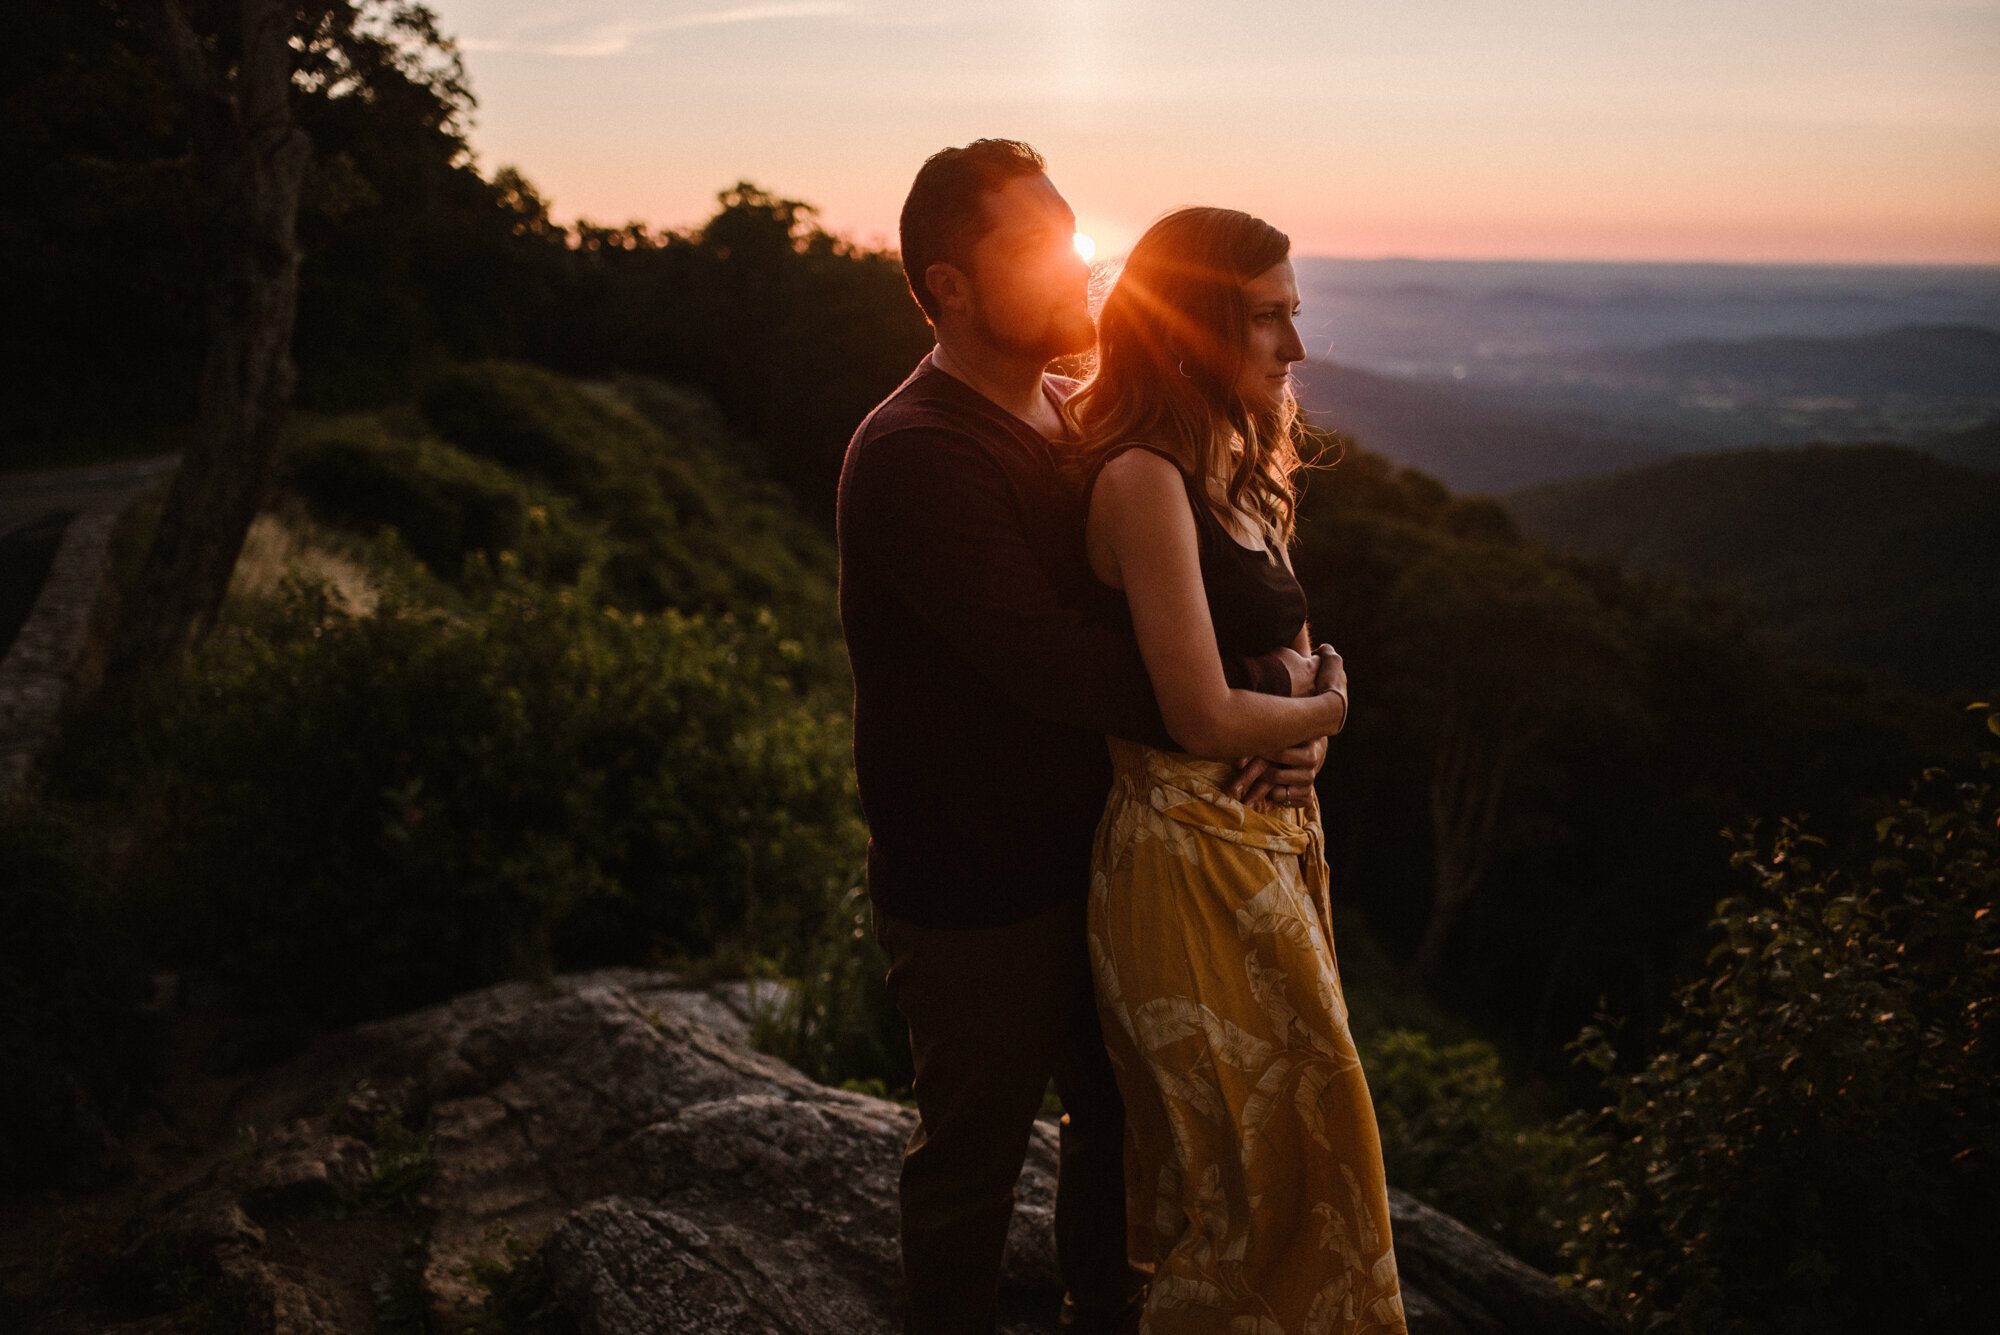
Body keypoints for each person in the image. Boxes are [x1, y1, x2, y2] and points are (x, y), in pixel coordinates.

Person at [836, 141, 1345, 1335]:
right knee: (972, 1158)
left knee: (1122, 1131)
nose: (1081, 267)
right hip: (979, 886)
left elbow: (1192, 598)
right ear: (950, 284)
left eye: (1075, 235)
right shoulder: (918, 451)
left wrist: (1285, 707)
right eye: (1039, 246)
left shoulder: (1072, 411)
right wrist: (1273, 693)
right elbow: (1058, 664)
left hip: (1116, 856)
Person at [1069, 207, 1408, 1332]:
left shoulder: (1238, 462)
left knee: (1316, 1166)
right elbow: (1204, 713)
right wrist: (1328, 713)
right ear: (1197, 325)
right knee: (1250, 1188)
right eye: (1267, 320)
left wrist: (1306, 719)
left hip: (1259, 847)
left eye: (1293, 317)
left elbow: (1286, 655)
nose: (1294, 349)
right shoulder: (1141, 481)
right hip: (1184, 865)